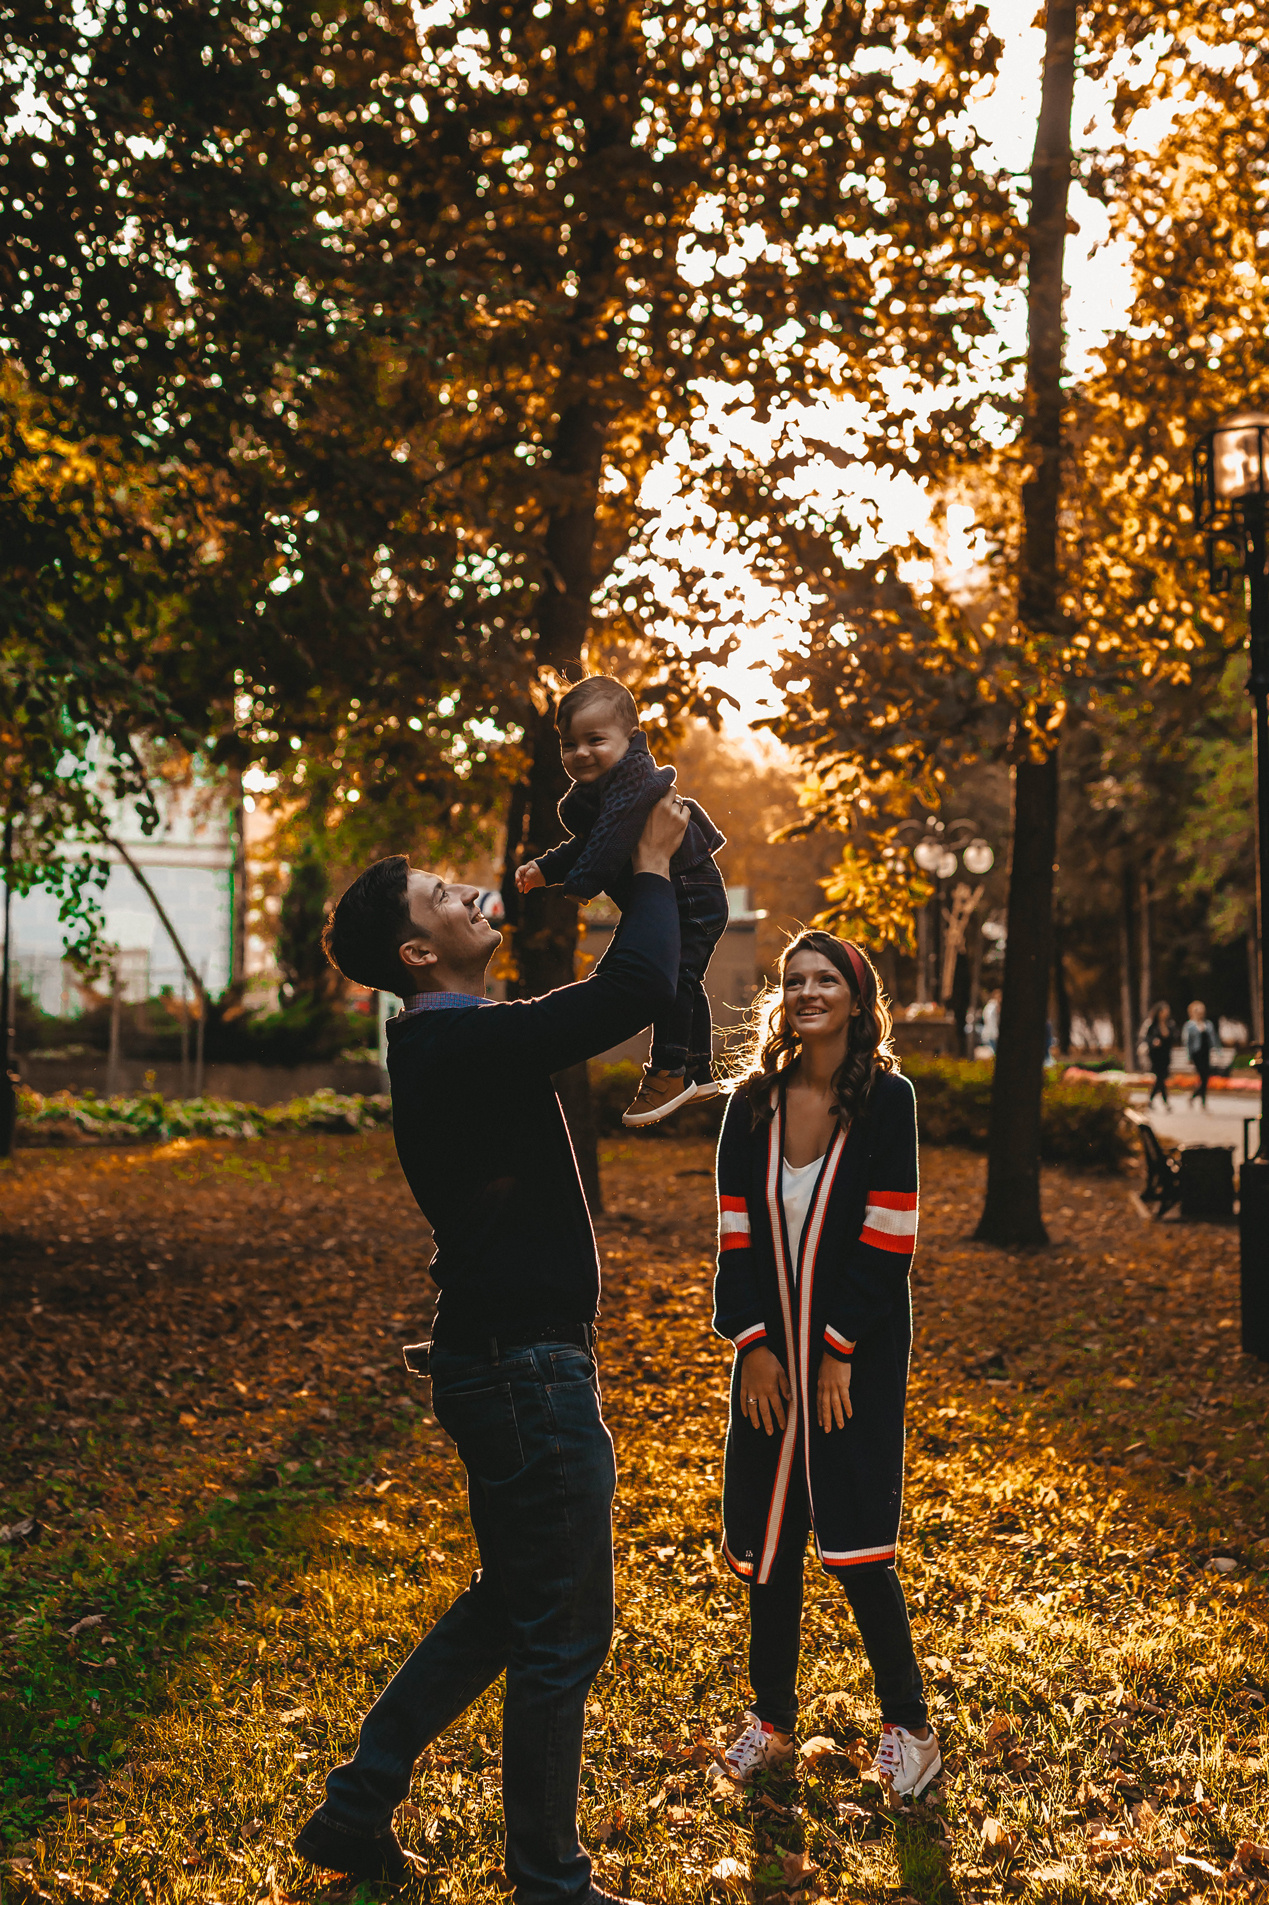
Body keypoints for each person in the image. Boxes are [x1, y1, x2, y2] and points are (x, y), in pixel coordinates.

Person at [293, 791, 689, 1899]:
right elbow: (638, 990)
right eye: (441, 894)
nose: (471, 887)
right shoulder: (458, 1037)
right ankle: (550, 1883)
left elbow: (606, 997)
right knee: (561, 1635)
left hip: (499, 1363)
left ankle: (356, 1804)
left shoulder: (446, 1040)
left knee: (506, 1608)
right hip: (523, 1373)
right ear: (421, 949)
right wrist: (651, 866)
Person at [711, 931, 939, 1804]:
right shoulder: (751, 1103)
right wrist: (754, 1345)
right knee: (770, 1545)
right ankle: (771, 1721)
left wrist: (836, 1348)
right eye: (793, 980)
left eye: (824, 980)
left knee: (853, 1544)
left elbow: (889, 1236)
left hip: (855, 1358)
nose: (807, 991)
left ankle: (909, 1728)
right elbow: (733, 1233)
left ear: (854, 996)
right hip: (769, 1363)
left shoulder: (889, 1100)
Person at [516, 674, 728, 1128]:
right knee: (685, 977)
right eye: (569, 744)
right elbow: (588, 841)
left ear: (630, 738)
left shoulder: (631, 782)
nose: (581, 753)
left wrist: (581, 884)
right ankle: (696, 1068)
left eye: (595, 740)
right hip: (683, 892)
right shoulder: (604, 790)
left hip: (691, 892)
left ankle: (669, 1070)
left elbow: (608, 838)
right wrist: (546, 868)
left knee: (672, 979)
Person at [1183, 1000, 1215, 1109]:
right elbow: (1187, 1042)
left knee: (1205, 1078)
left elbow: (1213, 1039)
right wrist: (1188, 1056)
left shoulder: (1208, 1024)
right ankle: (1199, 1099)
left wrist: (1217, 1051)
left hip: (1206, 1053)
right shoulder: (1190, 1025)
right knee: (1203, 1076)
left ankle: (1198, 1099)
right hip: (1197, 1054)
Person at [1143, 1002, 1174, 1108]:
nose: (1166, 1013)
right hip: (1155, 1055)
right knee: (1161, 1078)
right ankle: (1166, 1102)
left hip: (1165, 1054)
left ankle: (1151, 1100)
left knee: (1161, 1078)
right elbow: (1146, 1038)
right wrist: (1153, 1042)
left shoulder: (1170, 1024)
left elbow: (1173, 1037)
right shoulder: (1152, 1024)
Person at [981, 987, 1001, 1055]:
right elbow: (991, 1021)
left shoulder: (990, 1006)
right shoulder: (992, 1007)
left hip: (990, 1033)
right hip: (992, 1034)